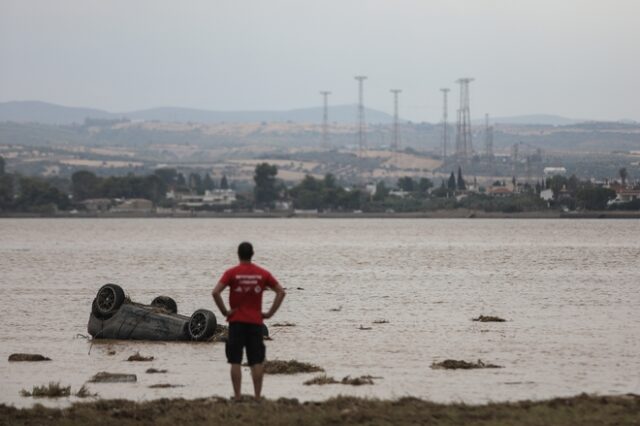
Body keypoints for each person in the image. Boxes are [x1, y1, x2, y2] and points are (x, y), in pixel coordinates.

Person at [212, 242, 286, 401]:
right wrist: (269, 313)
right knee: (256, 361)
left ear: (238, 254)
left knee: (235, 361)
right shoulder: (262, 273)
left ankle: (237, 396)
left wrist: (225, 312)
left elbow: (215, 292)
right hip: (255, 323)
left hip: (236, 322)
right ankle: (257, 397)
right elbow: (281, 292)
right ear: (252, 254)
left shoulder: (231, 273)